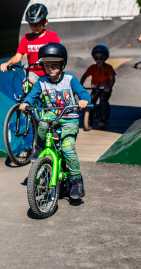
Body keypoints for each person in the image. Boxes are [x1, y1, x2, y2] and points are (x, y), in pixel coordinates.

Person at [19, 42, 90, 200]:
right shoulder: (41, 82)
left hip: (69, 118)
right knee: (42, 124)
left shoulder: (70, 79)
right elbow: (32, 96)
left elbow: (82, 92)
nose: (50, 68)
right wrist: (26, 103)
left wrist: (83, 100)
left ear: (63, 64)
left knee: (67, 148)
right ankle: (40, 147)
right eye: (47, 65)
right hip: (51, 116)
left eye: (55, 65)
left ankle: (76, 180)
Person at [0, 3, 60, 86]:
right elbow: (18, 56)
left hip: (50, 71)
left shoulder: (52, 36)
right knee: (26, 86)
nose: (34, 26)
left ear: (45, 22)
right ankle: (30, 99)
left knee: (52, 94)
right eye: (31, 24)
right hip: (34, 72)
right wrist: (7, 63)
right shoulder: (26, 38)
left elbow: (58, 55)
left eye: (37, 23)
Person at [80, 44, 116, 129]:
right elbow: (84, 76)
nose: (98, 60)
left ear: (105, 58)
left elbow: (112, 79)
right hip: (95, 88)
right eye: (96, 58)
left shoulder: (108, 68)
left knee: (103, 102)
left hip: (105, 89)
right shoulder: (92, 68)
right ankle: (89, 119)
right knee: (91, 101)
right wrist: (80, 85)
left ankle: (103, 119)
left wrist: (109, 87)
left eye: (101, 58)